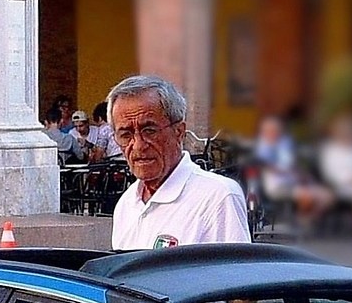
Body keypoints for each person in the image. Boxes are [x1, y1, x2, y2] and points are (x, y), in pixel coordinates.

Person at [107, 74, 250, 249]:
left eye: (149, 131)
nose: (138, 146)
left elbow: (236, 274)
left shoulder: (218, 196)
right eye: (125, 135)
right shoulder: (127, 203)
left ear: (179, 132)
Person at [253, 114, 333, 233]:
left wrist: (300, 173)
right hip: (278, 185)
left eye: (277, 130)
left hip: (294, 182)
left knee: (327, 196)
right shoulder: (264, 147)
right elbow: (269, 166)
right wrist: (289, 172)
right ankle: (304, 222)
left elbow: (291, 164)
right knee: (307, 196)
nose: (275, 133)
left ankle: (307, 220)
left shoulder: (284, 143)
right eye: (271, 130)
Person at [318, 114, 352, 223]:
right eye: (344, 133)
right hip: (336, 184)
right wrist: (346, 178)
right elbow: (329, 171)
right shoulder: (330, 150)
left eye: (349, 134)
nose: (347, 136)